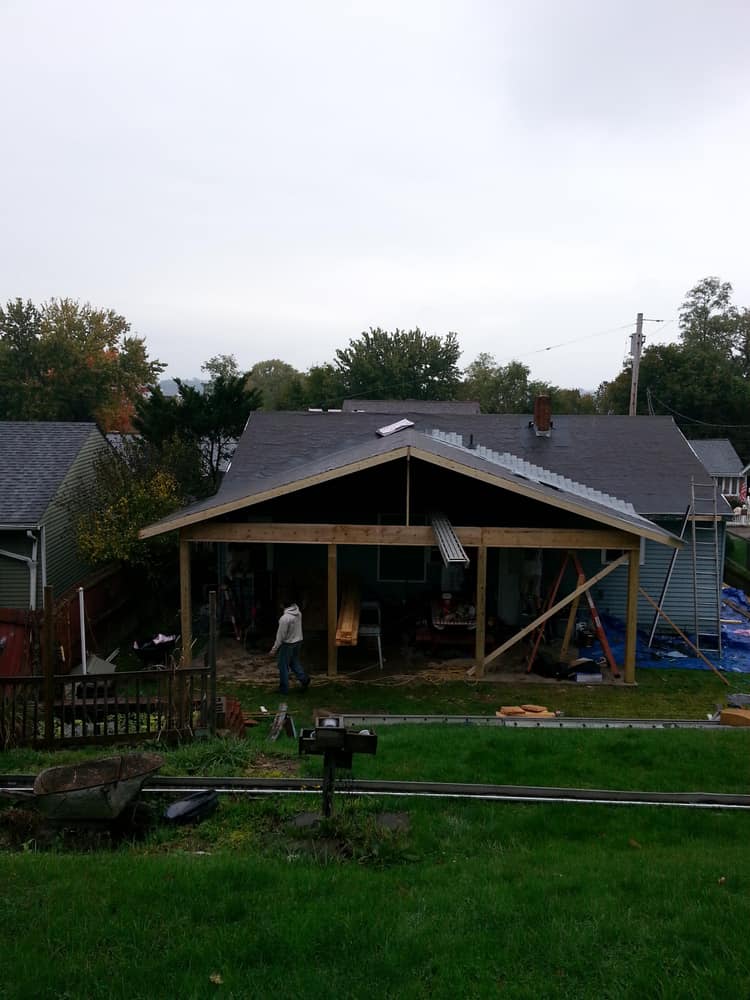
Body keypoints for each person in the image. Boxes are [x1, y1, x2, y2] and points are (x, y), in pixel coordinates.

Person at [269, 598, 310, 694]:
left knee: (283, 666)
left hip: (288, 644)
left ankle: (284, 689)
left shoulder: (285, 618)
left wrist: (273, 649)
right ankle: (304, 679)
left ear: (283, 605)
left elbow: (280, 636)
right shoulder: (298, 613)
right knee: (294, 662)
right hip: (298, 641)